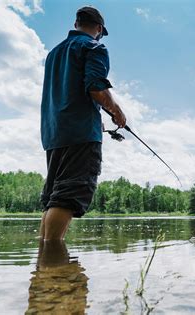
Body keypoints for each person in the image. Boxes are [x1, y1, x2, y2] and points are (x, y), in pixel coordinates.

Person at [39, 6, 126, 241]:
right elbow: (96, 87)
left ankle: (45, 263)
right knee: (68, 195)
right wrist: (117, 112)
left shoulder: (54, 53)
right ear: (99, 29)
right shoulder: (94, 46)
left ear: (76, 24)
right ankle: (53, 268)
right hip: (81, 132)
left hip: (53, 133)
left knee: (54, 197)